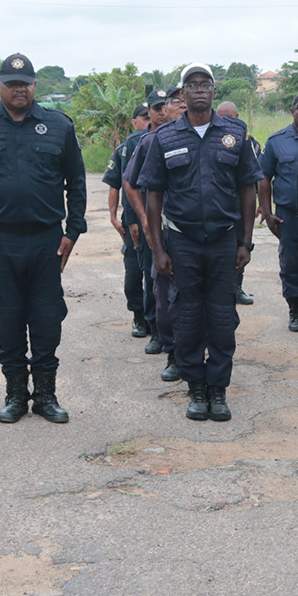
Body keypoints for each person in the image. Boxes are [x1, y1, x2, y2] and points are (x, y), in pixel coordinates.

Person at [0, 53, 87, 425]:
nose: (19, 89)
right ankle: (15, 395)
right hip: (0, 242)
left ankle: (46, 395)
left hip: (47, 240)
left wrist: (73, 231)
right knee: (7, 319)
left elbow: (76, 181)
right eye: (12, 84)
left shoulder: (58, 126)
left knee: (47, 318)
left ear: (35, 86)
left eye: (25, 84)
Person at [138, 63, 263, 421]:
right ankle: (195, 389)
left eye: (204, 83)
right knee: (188, 317)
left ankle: (218, 390)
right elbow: (153, 194)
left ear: (213, 90)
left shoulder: (235, 134)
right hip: (182, 243)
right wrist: (158, 248)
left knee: (223, 318)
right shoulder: (165, 137)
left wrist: (246, 242)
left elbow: (248, 188)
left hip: (224, 242)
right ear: (182, 94)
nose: (198, 90)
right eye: (191, 85)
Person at [124, 89, 181, 379]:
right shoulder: (148, 141)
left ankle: (194, 350)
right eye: (164, 105)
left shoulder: (214, 136)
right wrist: (143, 219)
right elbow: (128, 182)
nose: (175, 107)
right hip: (163, 230)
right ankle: (164, 342)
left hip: (201, 233)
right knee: (160, 289)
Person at [260, 92, 298, 332]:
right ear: (292, 111)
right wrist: (267, 213)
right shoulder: (277, 141)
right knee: (291, 263)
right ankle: (295, 312)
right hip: (289, 215)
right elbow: (264, 178)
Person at [103, 103, 152, 340]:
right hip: (131, 218)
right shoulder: (125, 149)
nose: (148, 121)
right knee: (134, 272)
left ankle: (155, 318)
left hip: (154, 217)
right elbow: (115, 184)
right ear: (134, 122)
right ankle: (138, 316)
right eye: (143, 118)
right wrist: (113, 217)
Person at [218, 100, 259, 306]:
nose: (226, 121)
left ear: (237, 117)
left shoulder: (248, 141)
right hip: (221, 208)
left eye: (230, 117)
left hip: (241, 206)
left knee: (240, 248)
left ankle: (237, 287)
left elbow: (252, 178)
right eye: (221, 117)